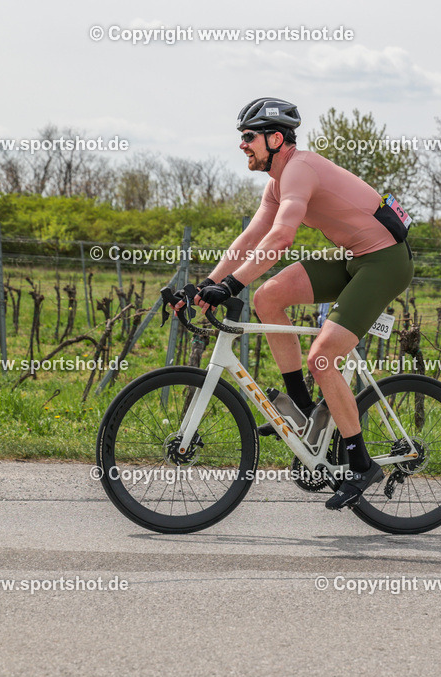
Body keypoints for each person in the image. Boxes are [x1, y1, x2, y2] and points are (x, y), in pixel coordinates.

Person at [173, 97, 414, 510]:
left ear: (276, 138)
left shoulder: (300, 169)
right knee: (268, 297)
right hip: (354, 258)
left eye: (248, 137)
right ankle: (303, 409)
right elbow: (249, 240)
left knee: (323, 357)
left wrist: (231, 286)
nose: (242, 145)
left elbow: (282, 238)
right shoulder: (277, 182)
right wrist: (205, 285)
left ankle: (361, 463)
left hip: (385, 261)